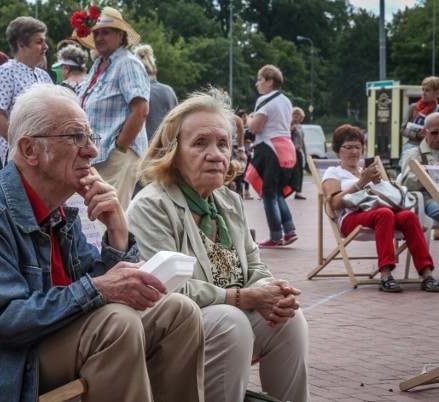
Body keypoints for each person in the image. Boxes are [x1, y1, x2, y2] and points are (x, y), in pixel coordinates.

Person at [0, 83, 205, 402]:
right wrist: (101, 288)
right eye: (75, 137)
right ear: (29, 150)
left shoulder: (59, 211)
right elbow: (5, 321)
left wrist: (118, 230)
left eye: (89, 137)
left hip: (45, 340)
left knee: (178, 311)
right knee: (116, 323)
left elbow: (91, 286)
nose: (92, 151)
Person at [127, 88, 309, 402]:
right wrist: (244, 297)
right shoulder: (151, 205)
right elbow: (165, 291)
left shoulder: (228, 200)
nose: (216, 154)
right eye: (200, 143)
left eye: (223, 144)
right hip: (164, 333)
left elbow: (254, 265)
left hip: (222, 320)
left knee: (289, 319)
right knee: (231, 321)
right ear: (173, 152)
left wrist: (271, 290)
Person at [323, 124, 439, 292]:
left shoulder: (367, 170)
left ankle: (426, 273)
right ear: (337, 150)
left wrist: (380, 184)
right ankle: (385, 275)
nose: (354, 152)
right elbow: (335, 204)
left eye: (357, 147)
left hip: (381, 215)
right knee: (384, 213)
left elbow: (386, 196)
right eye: (348, 147)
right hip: (351, 218)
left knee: (408, 216)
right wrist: (361, 182)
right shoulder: (334, 172)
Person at [73, 6, 150, 209]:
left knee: (107, 214)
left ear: (120, 35)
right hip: (100, 153)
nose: (99, 37)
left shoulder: (127, 63)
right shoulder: (99, 65)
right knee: (97, 213)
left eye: (105, 32)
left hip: (116, 154)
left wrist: (121, 147)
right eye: (96, 33)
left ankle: (116, 243)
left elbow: (140, 110)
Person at [0, 16, 52, 165]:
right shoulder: (7, 72)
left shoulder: (43, 75)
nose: (45, 46)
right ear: (21, 45)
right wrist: (21, 146)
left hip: (44, 153)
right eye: (39, 42)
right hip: (22, 157)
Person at [245, 65, 298, 247]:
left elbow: (255, 128)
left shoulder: (264, 100)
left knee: (268, 194)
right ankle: (289, 230)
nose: (256, 84)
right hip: (287, 148)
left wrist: (248, 119)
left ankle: (275, 236)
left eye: (259, 80)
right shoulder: (286, 101)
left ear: (269, 81)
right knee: (277, 193)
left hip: (270, 149)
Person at [401, 112, 439, 287]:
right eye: (434, 133)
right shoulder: (414, 154)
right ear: (425, 132)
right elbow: (404, 183)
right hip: (428, 200)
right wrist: (430, 171)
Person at [132, 44, 178, 143]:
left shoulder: (134, 93)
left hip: (142, 150)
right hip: (165, 147)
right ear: (154, 72)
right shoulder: (169, 91)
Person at [399, 76, 439, 164]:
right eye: (423, 89)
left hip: (434, 152)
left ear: (437, 92)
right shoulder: (413, 108)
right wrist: (417, 135)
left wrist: (433, 134)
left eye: (427, 90)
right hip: (413, 148)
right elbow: (403, 130)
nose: (423, 93)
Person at [291, 106, 308, 200]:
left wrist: (305, 154)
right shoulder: (289, 125)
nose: (296, 115)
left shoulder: (301, 127)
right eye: (294, 114)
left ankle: (298, 192)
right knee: (291, 171)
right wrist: (291, 130)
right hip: (290, 151)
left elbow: (302, 141)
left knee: (300, 172)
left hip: (298, 151)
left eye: (298, 114)